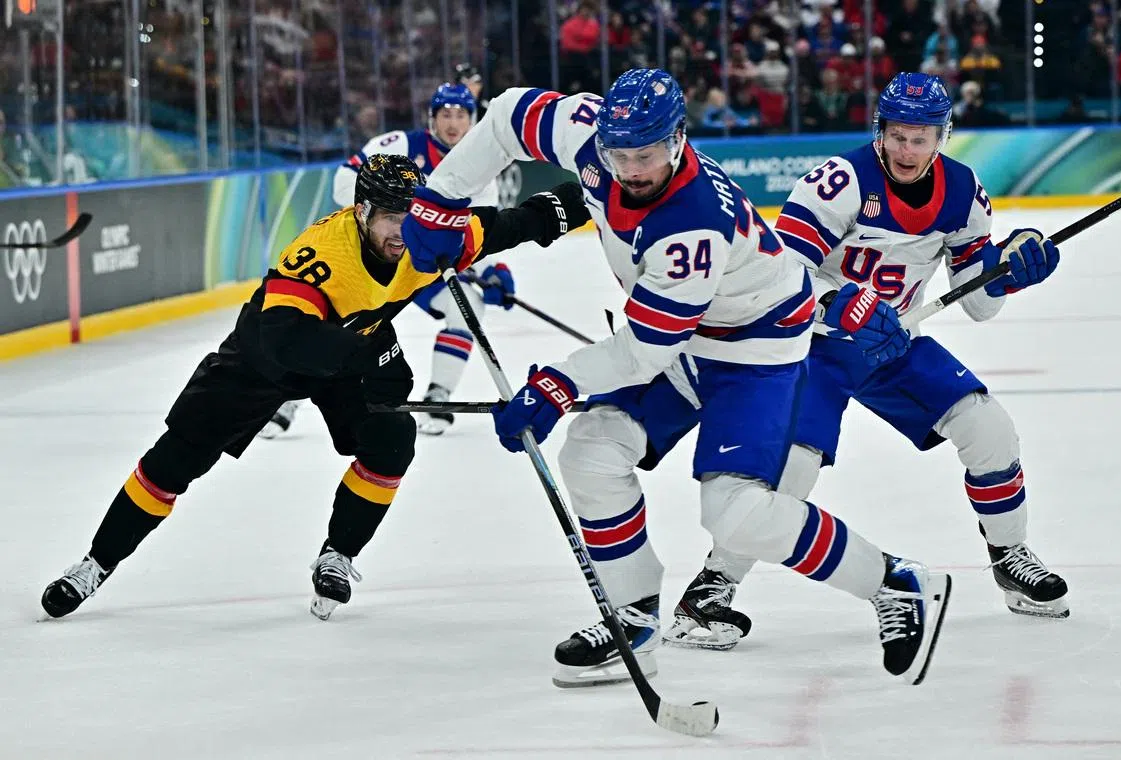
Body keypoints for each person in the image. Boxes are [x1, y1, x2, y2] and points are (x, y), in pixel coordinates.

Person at [399, 68, 951, 687]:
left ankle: (895, 582)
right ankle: (633, 615)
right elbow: (503, 117)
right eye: (621, 155)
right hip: (686, 332)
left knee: (736, 513)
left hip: (755, 344)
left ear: (679, 139)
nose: (632, 169)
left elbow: (642, 352)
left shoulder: (691, 224)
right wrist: (442, 197)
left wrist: (555, 383)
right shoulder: (589, 131)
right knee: (593, 451)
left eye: (648, 154)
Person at [40, 154, 590, 622]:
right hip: (266, 356)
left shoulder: (431, 236)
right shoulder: (324, 256)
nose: (404, 231)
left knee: (392, 436)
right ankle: (96, 562)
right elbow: (286, 342)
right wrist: (369, 353)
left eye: (413, 215)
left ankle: (337, 554)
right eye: (392, 218)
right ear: (363, 211)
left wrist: (595, 191)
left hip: (353, 346)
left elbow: (518, 221)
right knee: (177, 457)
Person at [676, 72, 1068, 651]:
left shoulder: (962, 192)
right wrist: (841, 302)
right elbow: (780, 276)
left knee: (989, 428)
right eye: (899, 136)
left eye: (922, 138)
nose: (908, 150)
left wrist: (1010, 265)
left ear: (943, 136)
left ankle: (1010, 557)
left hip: (895, 343)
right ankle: (711, 589)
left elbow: (980, 303)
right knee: (792, 470)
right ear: (880, 131)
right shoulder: (837, 182)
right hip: (819, 345)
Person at [259, 82, 507, 440]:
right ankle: (287, 401)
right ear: (431, 118)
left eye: (462, 115)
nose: (453, 124)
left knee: (467, 307)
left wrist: (492, 271)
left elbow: (480, 228)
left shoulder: (480, 166)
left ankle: (439, 394)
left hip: (422, 268)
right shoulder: (400, 146)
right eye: (445, 114)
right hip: (377, 252)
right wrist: (389, 214)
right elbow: (345, 180)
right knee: (337, 325)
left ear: (473, 119)